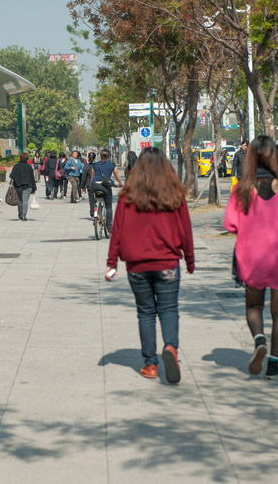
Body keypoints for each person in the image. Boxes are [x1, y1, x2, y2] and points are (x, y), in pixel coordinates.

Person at [105, 147, 195, 383]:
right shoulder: (175, 195)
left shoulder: (127, 196)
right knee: (169, 309)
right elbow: (186, 229)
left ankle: (150, 365)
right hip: (167, 263)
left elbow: (117, 231)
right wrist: (190, 259)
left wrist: (111, 263)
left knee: (145, 312)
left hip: (137, 266)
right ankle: (171, 348)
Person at [224, 135, 278, 379]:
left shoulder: (241, 189)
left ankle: (259, 340)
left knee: (253, 306)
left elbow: (230, 224)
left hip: (251, 258)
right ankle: (273, 363)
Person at [90, 149, 122, 230]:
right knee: (108, 206)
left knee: (96, 197)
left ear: (100, 155)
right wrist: (120, 183)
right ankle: (109, 226)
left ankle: (95, 211)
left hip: (95, 185)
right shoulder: (112, 165)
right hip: (105, 186)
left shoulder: (95, 164)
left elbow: (92, 176)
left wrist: (92, 184)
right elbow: (117, 176)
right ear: (108, 156)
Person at [9, 152, 38, 221]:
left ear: (20, 158)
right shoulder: (29, 167)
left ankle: (20, 214)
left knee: (20, 201)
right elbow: (32, 178)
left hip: (18, 186)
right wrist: (34, 188)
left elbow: (12, 176)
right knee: (25, 201)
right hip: (28, 186)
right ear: (27, 159)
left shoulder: (16, 166)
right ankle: (24, 216)